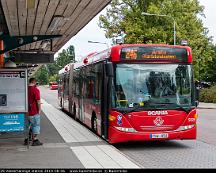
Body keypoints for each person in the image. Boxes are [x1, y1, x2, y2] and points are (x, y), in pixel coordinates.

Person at [24, 78, 43, 146]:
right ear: (34, 82)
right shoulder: (35, 90)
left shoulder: (25, 89)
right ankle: (34, 140)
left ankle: (27, 139)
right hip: (33, 112)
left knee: (27, 126)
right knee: (35, 125)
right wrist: (39, 110)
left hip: (25, 112)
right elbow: (38, 101)